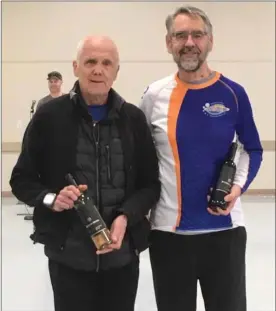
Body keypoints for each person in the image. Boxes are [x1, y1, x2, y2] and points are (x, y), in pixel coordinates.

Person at [10, 35, 160, 311]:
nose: (98, 69)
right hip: (68, 258)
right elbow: (21, 180)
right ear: (75, 67)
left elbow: (150, 185)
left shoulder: (133, 120)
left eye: (106, 63)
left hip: (122, 257)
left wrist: (126, 216)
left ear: (116, 71)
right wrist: (50, 199)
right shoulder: (49, 117)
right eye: (90, 61)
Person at [139, 6, 263, 311]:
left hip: (226, 234)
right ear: (168, 43)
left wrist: (236, 189)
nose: (189, 42)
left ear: (210, 41)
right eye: (180, 35)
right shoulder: (154, 95)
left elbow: (252, 148)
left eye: (198, 34)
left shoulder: (234, 93)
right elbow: (139, 156)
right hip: (169, 235)